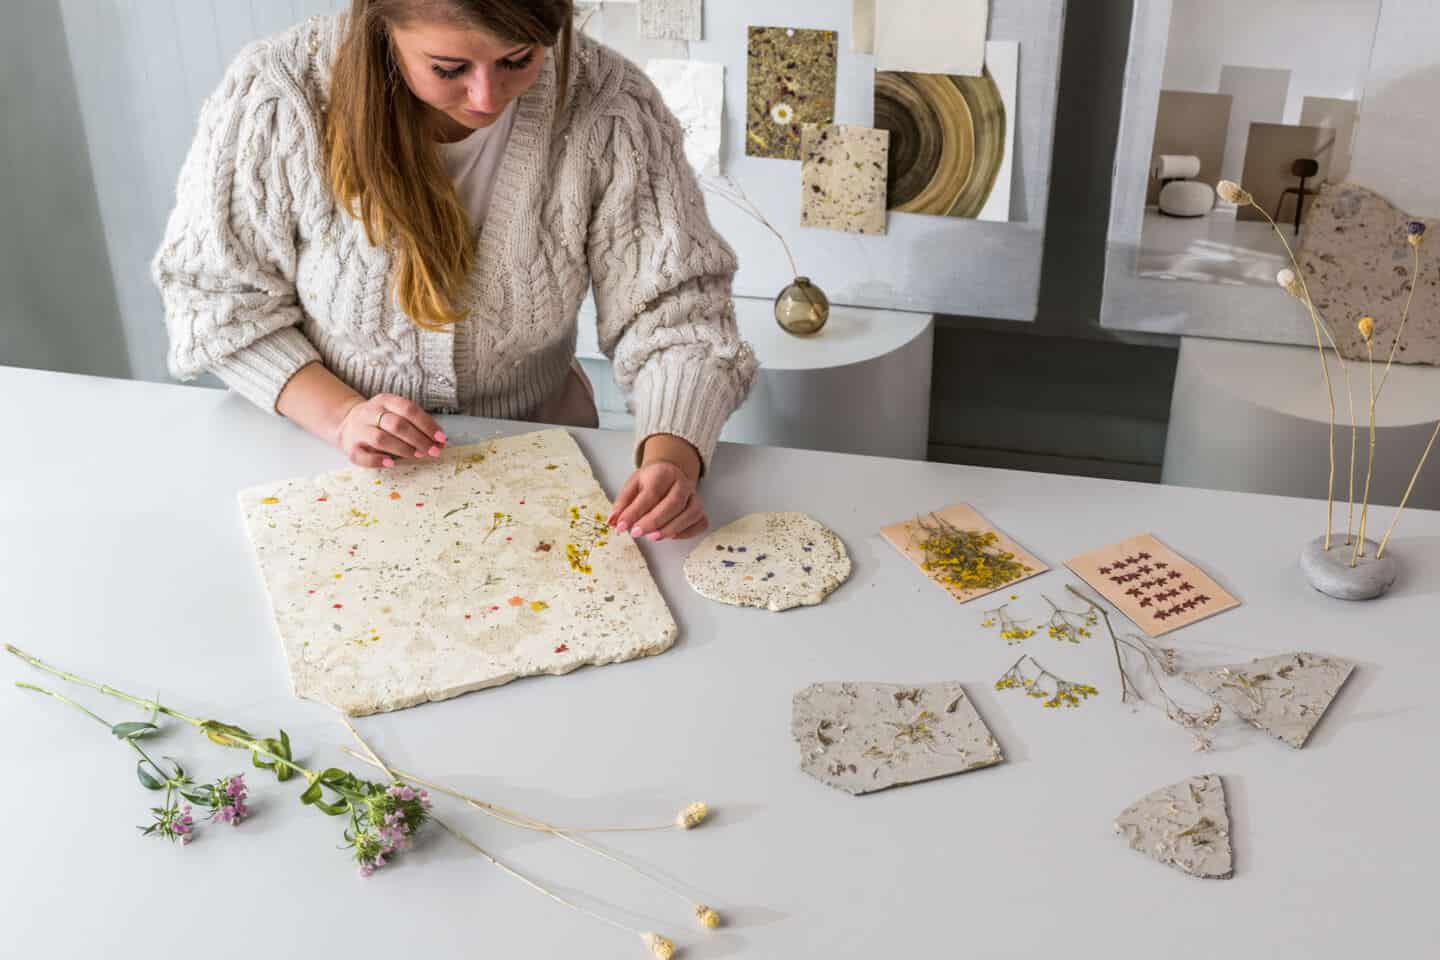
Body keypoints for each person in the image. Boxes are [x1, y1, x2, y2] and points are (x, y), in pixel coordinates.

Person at [153, 0, 755, 541]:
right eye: (449, 69)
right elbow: (216, 301)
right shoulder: (280, 95)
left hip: (542, 460)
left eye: (519, 59)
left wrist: (672, 457)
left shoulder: (610, 105)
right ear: (382, 22)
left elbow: (678, 314)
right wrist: (342, 416)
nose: (487, 98)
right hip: (320, 459)